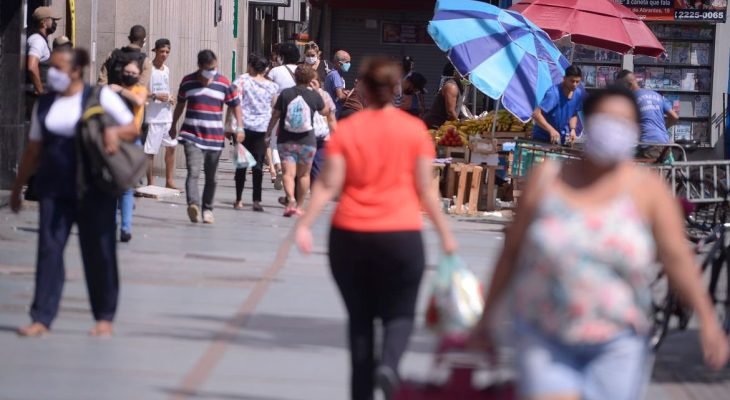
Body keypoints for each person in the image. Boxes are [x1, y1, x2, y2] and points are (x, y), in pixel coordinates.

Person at [470, 86, 730, 400]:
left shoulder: (648, 191)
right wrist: (487, 318)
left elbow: (677, 258)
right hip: (545, 334)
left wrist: (707, 320)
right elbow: (511, 252)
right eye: (605, 120)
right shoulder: (547, 179)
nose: (613, 130)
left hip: (618, 341)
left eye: (623, 123)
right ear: (587, 122)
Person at [294, 57, 458, 400]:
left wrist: (305, 224)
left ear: (364, 89)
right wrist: (446, 236)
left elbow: (327, 184)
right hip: (401, 235)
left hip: (350, 236)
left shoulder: (349, 129)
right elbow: (427, 190)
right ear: (395, 90)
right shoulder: (413, 130)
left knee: (360, 321)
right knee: (400, 314)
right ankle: (391, 366)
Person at [10, 47, 137, 337]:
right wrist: (18, 187)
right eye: (49, 67)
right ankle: (41, 317)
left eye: (57, 68)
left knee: (99, 251)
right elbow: (34, 149)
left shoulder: (99, 96)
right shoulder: (45, 104)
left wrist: (114, 133)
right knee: (49, 251)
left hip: (94, 188)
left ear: (76, 70)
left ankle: (104, 316)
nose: (50, 73)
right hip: (54, 188)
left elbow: (132, 129)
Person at [170, 50, 243, 224]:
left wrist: (239, 128)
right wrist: (173, 125)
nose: (212, 71)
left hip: (214, 137)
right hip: (191, 135)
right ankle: (193, 205)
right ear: (200, 66)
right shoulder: (188, 82)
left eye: (214, 68)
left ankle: (207, 209)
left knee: (212, 177)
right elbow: (180, 105)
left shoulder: (224, 83)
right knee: (193, 172)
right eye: (209, 68)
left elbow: (236, 105)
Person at [266, 65, 329, 217]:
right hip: (307, 141)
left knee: (288, 173)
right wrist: (319, 93)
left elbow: (275, 115)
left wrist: (268, 133)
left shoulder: (286, 94)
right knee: (304, 175)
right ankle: (299, 206)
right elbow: (325, 111)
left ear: (295, 77)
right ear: (310, 79)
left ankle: (291, 199)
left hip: (286, 140)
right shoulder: (314, 95)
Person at [229, 54, 279, 212]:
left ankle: (238, 199)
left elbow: (234, 103)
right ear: (265, 69)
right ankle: (256, 201)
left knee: (241, 165)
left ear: (251, 66)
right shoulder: (272, 86)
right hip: (261, 129)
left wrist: (231, 125)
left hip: (242, 128)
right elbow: (274, 107)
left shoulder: (241, 81)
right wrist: (270, 129)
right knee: (258, 166)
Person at [109, 59, 147, 243]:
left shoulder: (139, 90)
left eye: (134, 73)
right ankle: (110, 224)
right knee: (112, 186)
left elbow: (139, 101)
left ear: (139, 76)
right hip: (112, 141)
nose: (130, 75)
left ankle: (125, 227)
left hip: (132, 142)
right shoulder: (110, 90)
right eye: (127, 72)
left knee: (126, 188)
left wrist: (120, 90)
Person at [617, 69, 680, 161]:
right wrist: (662, 128)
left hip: (649, 144)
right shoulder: (656, 95)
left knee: (632, 168)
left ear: (628, 85)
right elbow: (674, 117)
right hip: (665, 144)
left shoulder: (630, 99)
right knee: (662, 172)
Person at [266, 43, 301, 190]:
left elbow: (268, 90)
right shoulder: (302, 70)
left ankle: (279, 167)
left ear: (282, 57)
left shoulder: (275, 71)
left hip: (278, 109)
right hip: (299, 110)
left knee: (274, 141)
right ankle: (292, 170)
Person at [144, 38, 178, 188]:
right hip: (153, 116)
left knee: (171, 146)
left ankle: (169, 180)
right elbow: (140, 90)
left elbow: (165, 88)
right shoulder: (148, 68)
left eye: (167, 52)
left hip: (166, 114)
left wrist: (170, 98)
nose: (164, 55)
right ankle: (150, 181)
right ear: (155, 51)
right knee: (150, 151)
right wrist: (155, 96)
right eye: (162, 51)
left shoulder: (167, 69)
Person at [532, 65, 586, 145]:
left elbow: (574, 113)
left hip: (560, 139)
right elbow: (536, 114)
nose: (574, 84)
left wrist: (573, 129)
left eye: (577, 82)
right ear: (564, 79)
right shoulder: (554, 94)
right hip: (542, 139)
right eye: (572, 81)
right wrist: (551, 130)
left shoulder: (578, 94)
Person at [26, 6, 61, 107]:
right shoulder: (37, 40)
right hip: (34, 99)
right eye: (53, 20)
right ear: (44, 22)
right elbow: (32, 67)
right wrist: (41, 92)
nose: (55, 23)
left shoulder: (41, 40)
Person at [310, 78, 337, 183]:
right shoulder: (325, 95)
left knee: (304, 167)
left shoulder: (299, 93)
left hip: (304, 135)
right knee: (318, 165)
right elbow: (331, 118)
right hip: (322, 134)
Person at [423, 62, 462, 129]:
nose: (466, 76)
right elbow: (450, 112)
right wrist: (460, 125)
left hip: (442, 126)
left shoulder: (460, 86)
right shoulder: (451, 86)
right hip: (434, 126)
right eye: (462, 72)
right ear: (455, 73)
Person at [324, 50, 352, 118]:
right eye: (347, 62)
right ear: (339, 63)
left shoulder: (335, 74)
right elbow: (340, 96)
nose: (349, 64)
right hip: (335, 114)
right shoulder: (335, 75)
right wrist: (350, 94)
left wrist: (344, 92)